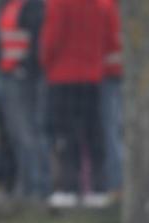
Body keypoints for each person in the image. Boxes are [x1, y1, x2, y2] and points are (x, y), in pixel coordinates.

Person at [40, 0, 111, 208]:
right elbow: (110, 39)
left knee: (65, 134)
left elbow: (50, 41)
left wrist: (47, 64)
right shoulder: (102, 5)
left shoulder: (58, 4)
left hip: (62, 77)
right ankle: (97, 189)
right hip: (93, 76)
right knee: (94, 134)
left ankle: (68, 188)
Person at [0, 0, 49, 200]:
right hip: (12, 74)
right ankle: (27, 185)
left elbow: (37, 40)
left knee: (28, 133)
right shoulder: (11, 5)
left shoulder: (33, 5)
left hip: (23, 76)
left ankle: (36, 187)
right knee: (21, 135)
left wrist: (26, 67)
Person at [100, 0, 122, 196]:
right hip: (116, 74)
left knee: (110, 131)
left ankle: (117, 184)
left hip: (107, 75)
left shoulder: (105, 7)